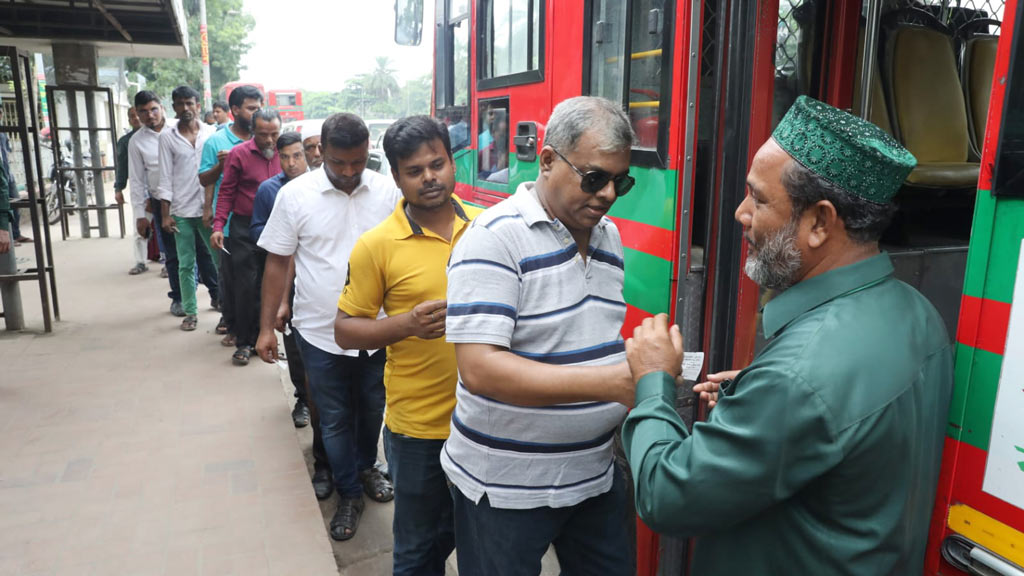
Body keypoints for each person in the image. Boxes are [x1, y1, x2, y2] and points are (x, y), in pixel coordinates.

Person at [620, 96, 954, 575]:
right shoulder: (918, 312)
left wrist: (653, 380)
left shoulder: (798, 379)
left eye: (758, 198)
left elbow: (665, 496)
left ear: (819, 222)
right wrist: (756, 396)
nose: (740, 213)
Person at [442, 96, 637, 576]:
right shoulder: (494, 238)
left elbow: (587, 340)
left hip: (593, 476)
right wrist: (611, 385)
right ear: (548, 159)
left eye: (620, 182)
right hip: (507, 488)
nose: (608, 194)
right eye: (594, 178)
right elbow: (481, 367)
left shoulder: (608, 237)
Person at [335, 116, 479, 575]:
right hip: (418, 430)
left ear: (452, 163)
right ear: (396, 178)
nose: (430, 177)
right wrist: (406, 325)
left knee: (482, 544)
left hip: (488, 424)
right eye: (414, 171)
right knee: (418, 550)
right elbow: (345, 330)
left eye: (437, 164)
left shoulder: (489, 228)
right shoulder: (376, 246)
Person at [256, 113, 400, 542]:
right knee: (333, 418)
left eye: (358, 162)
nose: (350, 172)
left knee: (373, 408)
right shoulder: (296, 196)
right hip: (319, 332)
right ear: (322, 153)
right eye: (340, 163)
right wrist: (265, 327)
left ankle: (365, 468)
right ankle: (349, 493)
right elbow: (278, 262)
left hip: (377, 331)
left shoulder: (387, 191)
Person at [250, 131, 315, 429]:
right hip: (284, 276)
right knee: (293, 343)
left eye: (298, 155)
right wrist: (283, 238)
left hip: (316, 280)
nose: (292, 162)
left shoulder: (319, 188)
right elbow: (258, 231)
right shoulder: (269, 191)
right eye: (285, 157)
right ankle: (303, 398)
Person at [211, 109, 282, 365]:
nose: (270, 141)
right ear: (253, 132)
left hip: (278, 227)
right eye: (263, 135)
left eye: (275, 134)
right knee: (246, 286)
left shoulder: (285, 155)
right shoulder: (239, 155)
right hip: (243, 227)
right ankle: (244, 342)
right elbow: (227, 192)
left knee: (274, 285)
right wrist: (219, 225)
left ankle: (269, 338)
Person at [200, 85, 262, 346]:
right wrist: (221, 165)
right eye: (251, 108)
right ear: (235, 110)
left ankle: (256, 331)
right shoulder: (216, 141)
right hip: (228, 225)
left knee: (257, 282)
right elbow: (205, 179)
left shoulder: (263, 140)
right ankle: (235, 326)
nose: (257, 113)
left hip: (259, 224)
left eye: (259, 107)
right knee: (233, 280)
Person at [154, 85, 219, 332]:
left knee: (217, 260)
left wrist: (214, 208)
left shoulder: (212, 133)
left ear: (198, 105)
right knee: (185, 263)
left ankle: (224, 304)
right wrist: (165, 214)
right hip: (181, 210)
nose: (186, 108)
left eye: (190, 103)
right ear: (174, 107)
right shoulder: (167, 138)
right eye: (180, 104)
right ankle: (191, 312)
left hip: (208, 210)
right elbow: (164, 178)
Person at [128, 91, 184, 315]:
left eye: (153, 109)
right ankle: (178, 297)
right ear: (137, 114)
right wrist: (140, 215)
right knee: (172, 253)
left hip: (190, 198)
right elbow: (137, 179)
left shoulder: (181, 129)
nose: (149, 115)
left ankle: (215, 295)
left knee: (202, 250)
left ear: (162, 108)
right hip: (162, 204)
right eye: (143, 111)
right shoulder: (136, 141)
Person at [115, 106, 145, 275]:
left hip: (159, 188)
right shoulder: (125, 142)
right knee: (139, 225)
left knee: (165, 227)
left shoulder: (160, 136)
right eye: (131, 116)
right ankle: (140, 261)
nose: (136, 118)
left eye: (137, 115)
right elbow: (122, 167)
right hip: (138, 188)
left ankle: (166, 261)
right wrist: (119, 188)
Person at [0, 109, 29, 245]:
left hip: (6, 172)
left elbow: (7, 152)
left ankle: (15, 233)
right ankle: (9, 235)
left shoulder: (3, 133)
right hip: (3, 173)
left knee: (15, 202)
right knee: (5, 203)